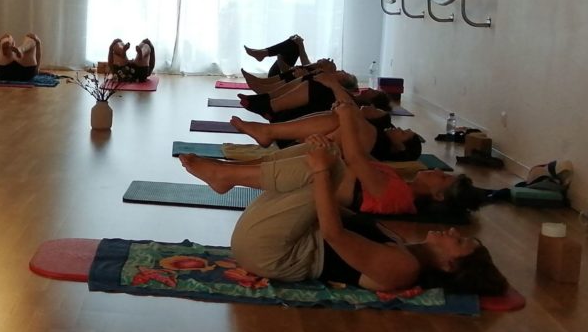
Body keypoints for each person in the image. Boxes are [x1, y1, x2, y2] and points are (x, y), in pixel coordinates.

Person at [179, 135, 507, 295]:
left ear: (450, 265)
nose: (452, 233)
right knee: (324, 154)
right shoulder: (405, 248)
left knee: (328, 166)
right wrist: (316, 161)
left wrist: (322, 174)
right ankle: (227, 173)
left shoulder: (402, 268)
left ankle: (226, 176)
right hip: (275, 240)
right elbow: (337, 214)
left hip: (271, 251)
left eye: (459, 242)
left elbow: (335, 235)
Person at [202, 103, 479, 215]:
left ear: (439, 196)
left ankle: (227, 174)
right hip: (339, 172)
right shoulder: (402, 186)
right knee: (333, 130)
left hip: (334, 182)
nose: (436, 172)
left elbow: (358, 162)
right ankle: (229, 171)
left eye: (442, 177)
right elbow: (358, 161)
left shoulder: (400, 196)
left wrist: (347, 119)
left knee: (323, 144)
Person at [230, 102, 423, 162]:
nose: (398, 128)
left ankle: (270, 131)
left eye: (403, 133)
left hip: (310, 147)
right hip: (306, 143)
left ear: (399, 147)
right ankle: (269, 131)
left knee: (341, 117)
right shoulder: (372, 132)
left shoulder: (373, 137)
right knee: (338, 117)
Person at [244, 34, 310, 76]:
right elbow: (308, 66)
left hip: (285, 78)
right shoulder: (317, 70)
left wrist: (300, 44)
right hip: (278, 74)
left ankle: (262, 54)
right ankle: (262, 54)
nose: (320, 60)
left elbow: (307, 67)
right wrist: (299, 44)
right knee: (294, 43)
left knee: (295, 44)